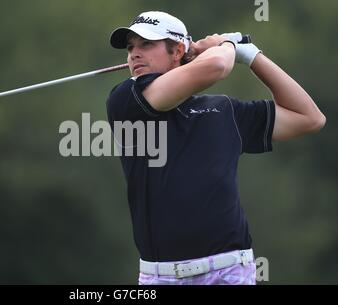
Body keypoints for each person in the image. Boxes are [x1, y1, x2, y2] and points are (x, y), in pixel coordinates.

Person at [106, 11, 326, 285]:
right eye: (130, 47)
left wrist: (253, 57)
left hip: (229, 272)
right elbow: (217, 67)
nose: (134, 54)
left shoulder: (224, 111)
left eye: (146, 44)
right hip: (159, 277)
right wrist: (226, 45)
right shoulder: (127, 99)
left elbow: (310, 118)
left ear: (178, 51)